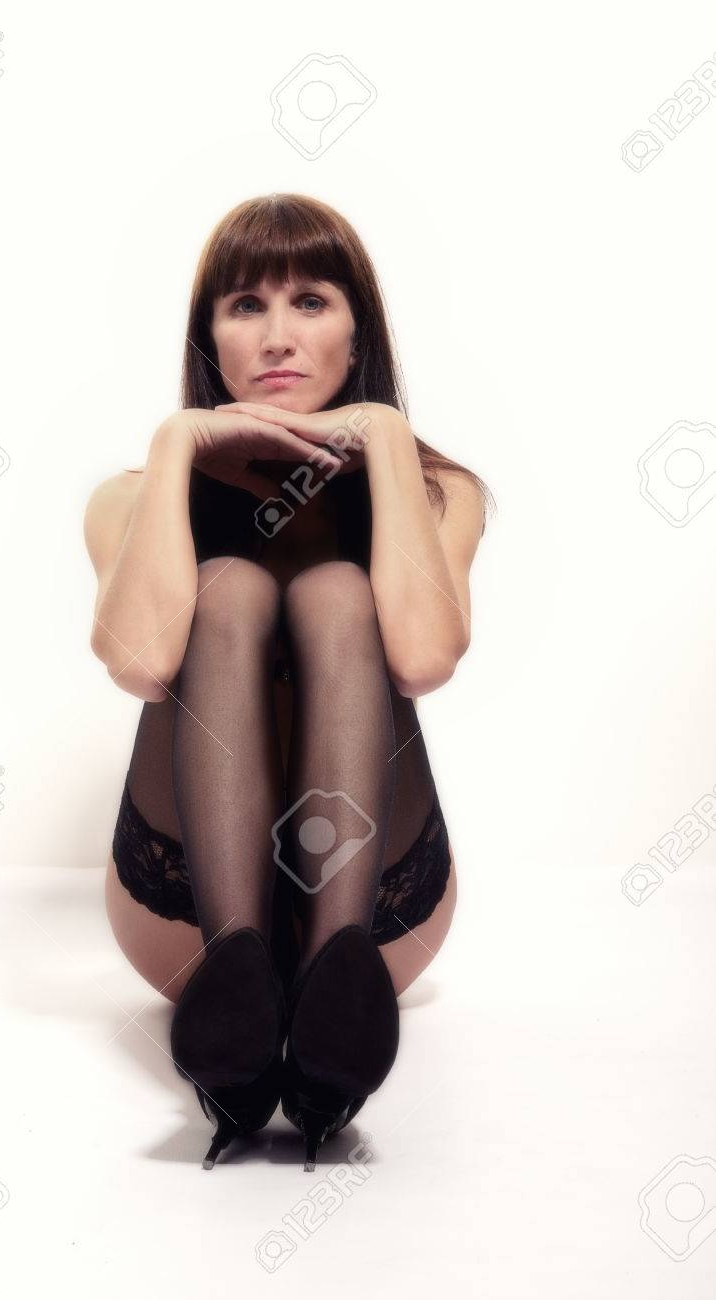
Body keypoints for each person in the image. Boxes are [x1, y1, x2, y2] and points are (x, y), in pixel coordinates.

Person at [83, 193, 493, 1170]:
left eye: (310, 301)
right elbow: (139, 663)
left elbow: (423, 658)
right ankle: (237, 965)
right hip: (182, 919)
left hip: (381, 912)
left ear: (358, 332)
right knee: (225, 588)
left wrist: (383, 437)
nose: (276, 336)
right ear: (210, 338)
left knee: (340, 594)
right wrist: (175, 445)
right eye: (244, 306)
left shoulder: (435, 489)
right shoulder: (132, 496)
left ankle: (334, 979)